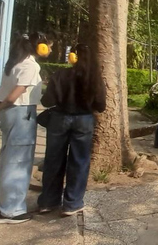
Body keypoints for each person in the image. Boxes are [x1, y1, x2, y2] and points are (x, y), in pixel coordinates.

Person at [0, 32, 51, 224]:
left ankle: (3, 204)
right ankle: (11, 211)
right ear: (40, 46)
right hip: (21, 113)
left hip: (9, 115)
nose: (50, 49)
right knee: (18, 162)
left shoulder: (12, 64)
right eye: (48, 45)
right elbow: (13, 96)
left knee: (8, 160)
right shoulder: (30, 65)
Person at [37, 44, 106, 216]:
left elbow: (47, 101)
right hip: (84, 120)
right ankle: (72, 203)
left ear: (73, 57)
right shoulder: (94, 79)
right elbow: (101, 106)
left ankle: (48, 201)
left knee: (53, 160)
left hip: (59, 119)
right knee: (79, 161)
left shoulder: (60, 75)